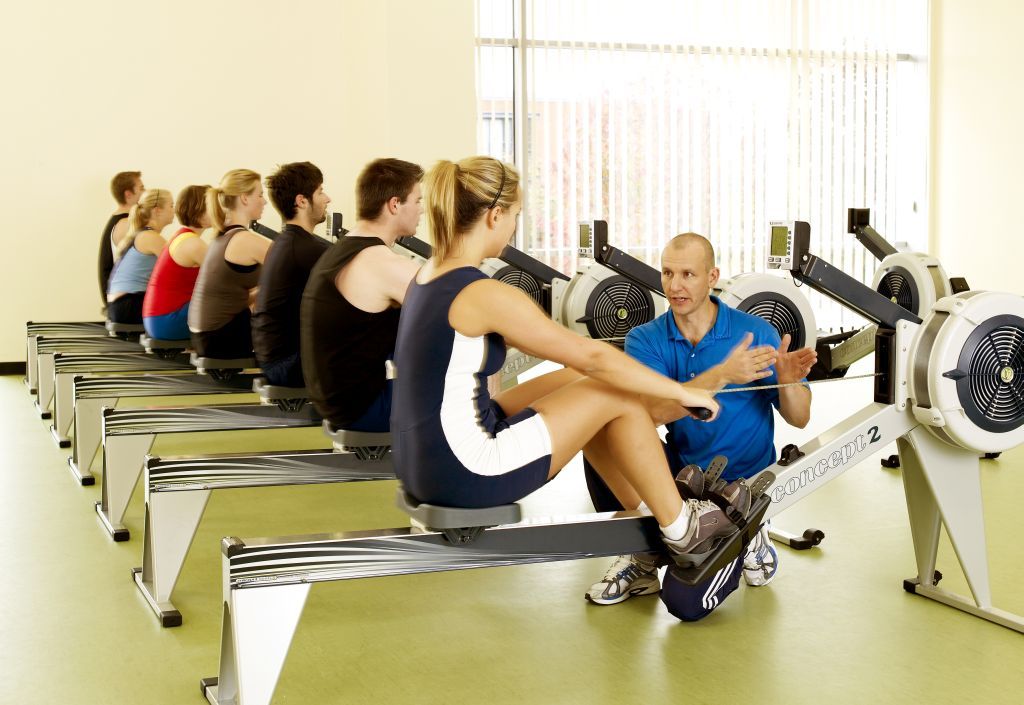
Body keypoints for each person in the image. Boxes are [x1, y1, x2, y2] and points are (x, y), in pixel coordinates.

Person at [391, 156, 742, 568]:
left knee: (577, 380)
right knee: (612, 389)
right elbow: (593, 356)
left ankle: (649, 513)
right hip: (465, 470)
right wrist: (682, 392)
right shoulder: (481, 293)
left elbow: (574, 362)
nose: (514, 228)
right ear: (494, 215)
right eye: (515, 216)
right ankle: (682, 527)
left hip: (423, 463)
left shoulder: (427, 275)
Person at [585, 232, 817, 605]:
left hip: (742, 487)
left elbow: (800, 418)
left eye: (688, 275)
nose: (674, 286)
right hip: (681, 479)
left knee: (685, 604)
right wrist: (722, 375)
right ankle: (642, 556)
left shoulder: (755, 332)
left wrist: (789, 383)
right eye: (667, 273)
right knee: (603, 427)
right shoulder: (645, 338)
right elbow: (646, 416)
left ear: (712, 277)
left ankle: (749, 535)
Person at [301, 158, 423, 431]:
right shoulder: (379, 261)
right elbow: (456, 310)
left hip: (336, 401)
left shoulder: (343, 250)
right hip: (362, 409)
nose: (422, 209)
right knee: (464, 386)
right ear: (394, 204)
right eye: (417, 201)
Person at [252, 162, 332, 387]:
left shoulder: (285, 242)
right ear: (302, 201)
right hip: (287, 365)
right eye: (320, 192)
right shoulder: (306, 249)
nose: (328, 199)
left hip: (275, 360)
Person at [188, 169, 271, 359]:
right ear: (244, 198)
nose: (264, 201)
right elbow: (290, 264)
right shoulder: (244, 239)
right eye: (260, 195)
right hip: (220, 339)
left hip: (206, 337)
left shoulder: (222, 236)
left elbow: (232, 298)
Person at [141, 185, 211, 341]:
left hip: (157, 320)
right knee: (228, 305)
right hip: (166, 321)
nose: (219, 211)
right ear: (199, 211)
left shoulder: (182, 236)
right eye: (213, 206)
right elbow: (225, 279)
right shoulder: (193, 243)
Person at [106, 189, 172, 324]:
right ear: (157, 210)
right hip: (127, 305)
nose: (174, 210)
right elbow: (177, 267)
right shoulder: (150, 237)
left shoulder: (142, 234)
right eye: (171, 205)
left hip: (120, 304)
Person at [97, 171, 143, 307]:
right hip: (123, 303)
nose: (145, 192)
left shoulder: (121, 220)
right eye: (141, 188)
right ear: (128, 194)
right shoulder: (125, 224)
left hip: (122, 298)